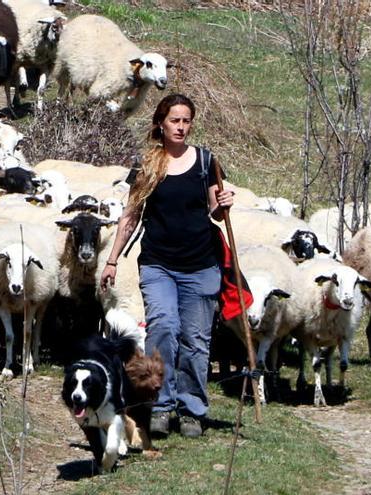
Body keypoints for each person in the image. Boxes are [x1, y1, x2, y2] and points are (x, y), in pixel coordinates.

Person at [100, 93, 234, 438]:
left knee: (196, 341)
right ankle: (160, 403)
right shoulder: (148, 164)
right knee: (162, 327)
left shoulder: (206, 161)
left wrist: (223, 203)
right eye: (175, 120)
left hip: (201, 265)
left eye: (186, 120)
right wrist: (112, 260)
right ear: (161, 122)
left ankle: (192, 409)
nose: (181, 127)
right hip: (159, 263)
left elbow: (213, 213)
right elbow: (130, 216)